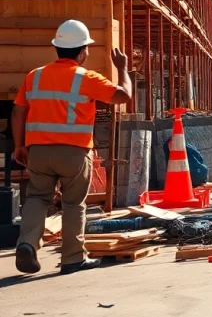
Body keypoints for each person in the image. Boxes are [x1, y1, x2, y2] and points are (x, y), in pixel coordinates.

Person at [12, 20, 133, 275]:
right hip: (74, 153)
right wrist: (122, 69)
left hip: (38, 152)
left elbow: (18, 111)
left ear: (57, 48)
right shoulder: (85, 78)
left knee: (36, 197)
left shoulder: (35, 75)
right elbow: (123, 95)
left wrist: (19, 145)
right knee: (73, 203)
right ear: (81, 52)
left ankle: (27, 243)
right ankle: (72, 259)